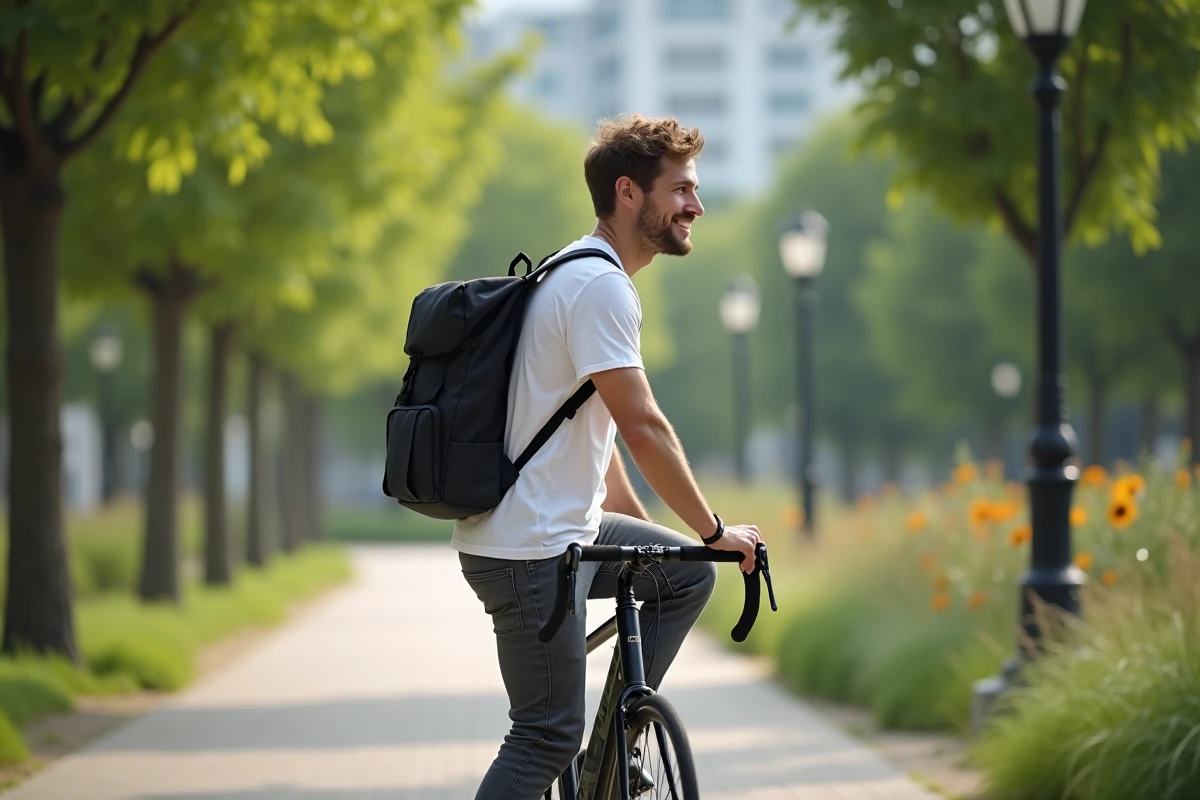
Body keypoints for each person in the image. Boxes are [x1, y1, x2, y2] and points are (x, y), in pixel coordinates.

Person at [453, 114, 762, 799]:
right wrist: (713, 532)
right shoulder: (599, 286)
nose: (696, 206)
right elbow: (643, 425)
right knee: (543, 735)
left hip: (559, 529)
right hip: (529, 550)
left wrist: (648, 529)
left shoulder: (576, 268)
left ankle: (613, 752)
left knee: (682, 578)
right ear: (629, 193)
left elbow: (592, 422)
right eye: (680, 189)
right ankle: (593, 752)